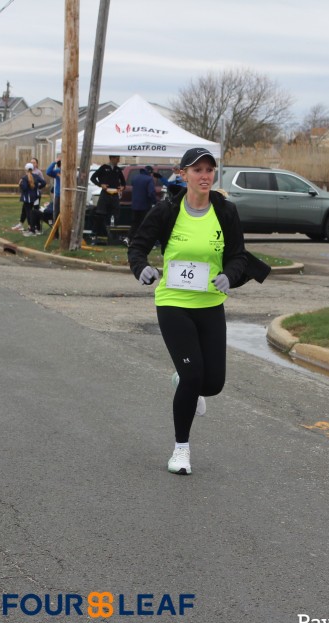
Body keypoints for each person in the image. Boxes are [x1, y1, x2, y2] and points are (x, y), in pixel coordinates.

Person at [127, 147, 270, 475]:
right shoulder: (167, 211)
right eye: (197, 170)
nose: (204, 176)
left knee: (213, 383)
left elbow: (238, 255)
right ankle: (181, 450)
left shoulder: (225, 211)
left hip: (210, 304)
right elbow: (138, 245)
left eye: (209, 170)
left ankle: (183, 377)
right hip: (173, 304)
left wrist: (229, 275)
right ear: (183, 174)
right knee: (194, 378)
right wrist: (141, 268)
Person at [89, 154, 127, 238]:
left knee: (116, 213)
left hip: (115, 194)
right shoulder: (104, 167)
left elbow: (123, 182)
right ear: (112, 158)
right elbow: (93, 178)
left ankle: (114, 234)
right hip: (105, 194)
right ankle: (96, 232)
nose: (118, 161)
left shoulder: (117, 169)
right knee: (100, 213)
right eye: (117, 159)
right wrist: (100, 184)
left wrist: (122, 187)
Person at [126, 165, 157, 244]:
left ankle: (129, 238)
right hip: (145, 206)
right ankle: (143, 241)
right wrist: (155, 201)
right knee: (145, 223)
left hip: (134, 205)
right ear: (149, 172)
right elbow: (151, 193)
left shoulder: (135, 177)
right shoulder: (149, 179)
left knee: (135, 223)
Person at [18, 163, 45, 236]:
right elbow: (44, 182)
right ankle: (37, 228)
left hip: (28, 199)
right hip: (36, 197)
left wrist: (20, 184)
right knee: (35, 212)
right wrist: (38, 187)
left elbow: (24, 188)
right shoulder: (36, 176)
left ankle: (32, 229)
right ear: (32, 169)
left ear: (26, 169)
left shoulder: (25, 178)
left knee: (29, 213)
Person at [46, 154, 62, 225]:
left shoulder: (70, 171)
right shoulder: (58, 171)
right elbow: (48, 172)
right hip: (58, 195)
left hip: (67, 195)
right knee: (56, 212)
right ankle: (55, 230)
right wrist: (54, 162)